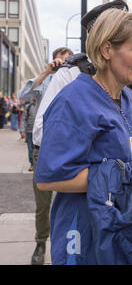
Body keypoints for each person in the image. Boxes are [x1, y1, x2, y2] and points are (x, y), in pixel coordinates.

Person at [35, 6, 132, 265]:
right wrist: (125, 175)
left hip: (127, 226)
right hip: (89, 234)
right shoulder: (73, 100)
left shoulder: (129, 97)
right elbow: (48, 178)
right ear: (107, 50)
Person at [18, 46, 73, 265]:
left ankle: (68, 243)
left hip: (69, 147)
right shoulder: (46, 82)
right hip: (44, 147)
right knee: (42, 202)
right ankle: (41, 242)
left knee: (69, 199)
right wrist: (46, 73)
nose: (64, 65)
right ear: (53, 61)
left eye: (68, 61)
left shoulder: (74, 79)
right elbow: (23, 96)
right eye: (61, 61)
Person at [19, 97, 37, 171]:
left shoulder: (43, 105)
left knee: (39, 149)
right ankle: (32, 164)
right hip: (29, 131)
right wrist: (22, 130)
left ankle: (38, 164)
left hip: (39, 132)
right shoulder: (28, 106)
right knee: (31, 149)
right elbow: (23, 119)